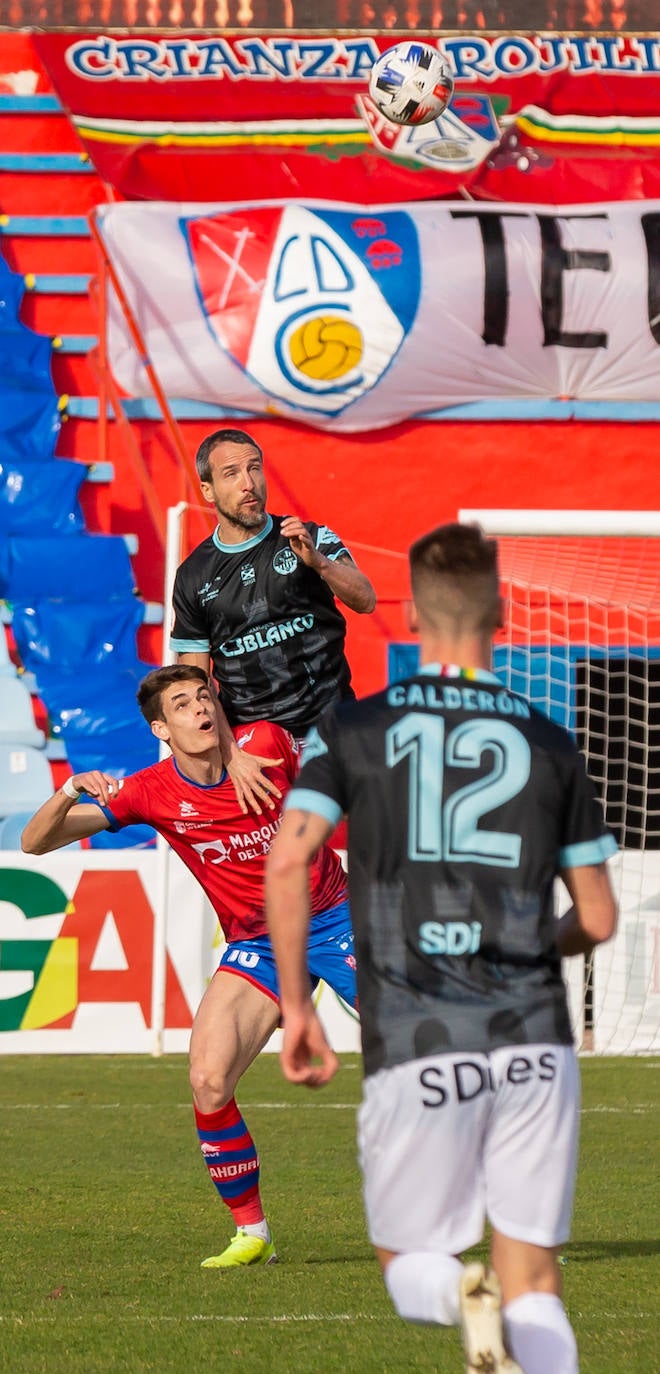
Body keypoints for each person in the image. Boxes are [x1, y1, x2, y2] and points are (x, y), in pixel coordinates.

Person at [265, 522, 618, 1373]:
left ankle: (459, 1297)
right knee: (534, 1277)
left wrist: (293, 1006)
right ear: (499, 612)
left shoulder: (350, 729)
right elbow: (599, 919)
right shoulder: (550, 741)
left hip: (416, 1033)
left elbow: (288, 861)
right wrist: (536, 946)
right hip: (533, 1034)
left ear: (412, 616)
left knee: (409, 1265)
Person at [21, 664, 357, 1270]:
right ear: (161, 727)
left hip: (334, 915)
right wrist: (70, 789)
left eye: (205, 697)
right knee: (207, 1078)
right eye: (182, 703)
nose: (200, 709)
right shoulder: (150, 790)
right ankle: (254, 1234)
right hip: (259, 942)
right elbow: (35, 842)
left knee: (422, 1048)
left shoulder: (266, 744)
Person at [170, 427, 376, 814]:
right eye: (231, 473)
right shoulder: (193, 576)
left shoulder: (308, 538)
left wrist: (319, 563)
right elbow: (194, 684)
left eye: (255, 469)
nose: (249, 484)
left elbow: (365, 599)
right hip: (257, 746)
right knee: (281, 862)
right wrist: (232, 756)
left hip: (331, 726)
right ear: (208, 490)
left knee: (376, 843)